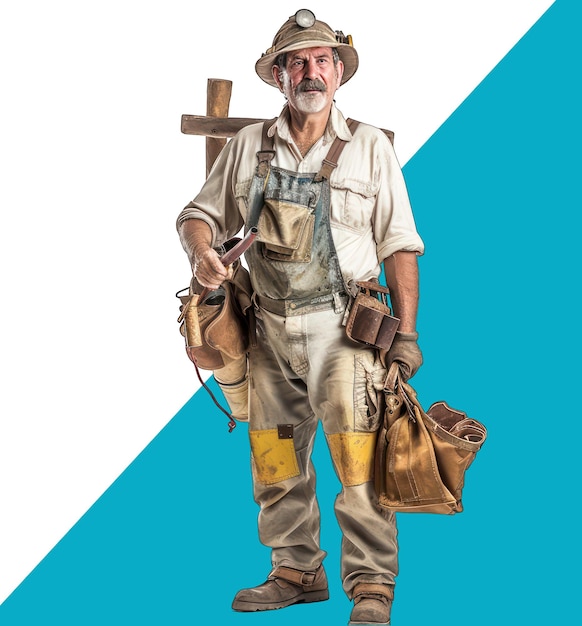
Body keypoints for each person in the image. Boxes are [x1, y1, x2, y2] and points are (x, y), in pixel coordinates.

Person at [176, 9, 424, 625]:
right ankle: (296, 570)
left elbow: (399, 244)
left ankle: (370, 586)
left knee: (358, 459)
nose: (310, 72)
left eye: (321, 60)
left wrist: (409, 335)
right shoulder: (246, 147)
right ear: (279, 76)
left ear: (338, 72)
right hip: (267, 330)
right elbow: (197, 215)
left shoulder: (370, 146)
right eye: (297, 62)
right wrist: (204, 252)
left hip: (345, 333)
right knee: (275, 455)